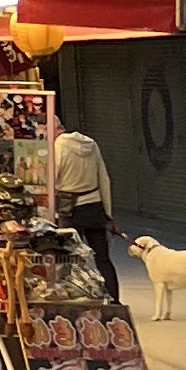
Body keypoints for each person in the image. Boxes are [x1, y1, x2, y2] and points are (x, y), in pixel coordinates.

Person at [48, 121, 119, 288]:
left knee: (67, 258)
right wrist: (107, 214)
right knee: (103, 258)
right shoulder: (91, 144)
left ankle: (72, 296)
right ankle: (115, 299)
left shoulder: (58, 147)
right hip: (95, 207)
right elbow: (104, 179)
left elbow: (52, 179)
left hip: (70, 210)